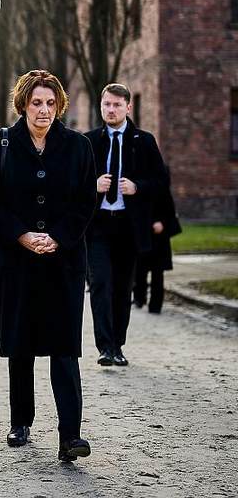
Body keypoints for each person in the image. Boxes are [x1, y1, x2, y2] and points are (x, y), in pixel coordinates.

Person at [0, 69, 97, 463]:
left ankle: (71, 435)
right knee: (21, 342)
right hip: (17, 259)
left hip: (64, 260)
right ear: (23, 105)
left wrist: (59, 237)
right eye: (36, 103)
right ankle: (21, 419)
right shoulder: (2, 143)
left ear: (59, 105)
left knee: (65, 346)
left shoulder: (78, 146)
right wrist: (22, 235)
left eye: (50, 103)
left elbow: (85, 202)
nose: (43, 110)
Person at [85, 83, 168, 367]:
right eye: (106, 104)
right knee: (100, 283)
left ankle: (118, 345)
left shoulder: (143, 141)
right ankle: (104, 347)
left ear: (128, 108)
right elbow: (71, 183)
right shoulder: (89, 141)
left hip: (128, 227)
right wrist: (91, 185)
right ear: (101, 106)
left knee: (122, 288)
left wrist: (137, 186)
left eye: (117, 105)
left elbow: (161, 181)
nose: (111, 109)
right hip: (98, 226)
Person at [132, 167, 181, 314]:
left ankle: (155, 304)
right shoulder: (142, 188)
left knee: (157, 272)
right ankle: (139, 298)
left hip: (159, 238)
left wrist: (163, 223)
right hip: (143, 235)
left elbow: (170, 213)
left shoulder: (164, 193)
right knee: (140, 270)